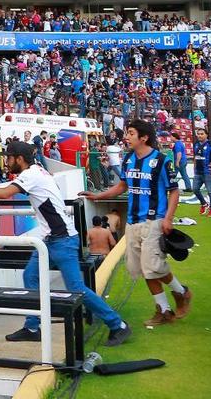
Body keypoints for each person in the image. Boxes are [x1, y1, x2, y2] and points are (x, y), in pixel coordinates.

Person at [0, 141, 131, 347]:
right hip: (51, 239)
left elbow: (5, 194)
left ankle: (118, 325)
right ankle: (33, 327)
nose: (6, 162)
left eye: (9, 157)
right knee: (30, 277)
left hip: (62, 240)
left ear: (20, 159)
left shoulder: (30, 175)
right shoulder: (37, 170)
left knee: (76, 288)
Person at [81, 119, 190, 327]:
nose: (126, 137)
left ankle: (170, 304)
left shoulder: (160, 160)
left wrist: (168, 218)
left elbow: (174, 190)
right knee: (142, 268)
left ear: (144, 137)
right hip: (132, 223)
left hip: (153, 221)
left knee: (152, 267)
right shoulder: (129, 159)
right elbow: (122, 186)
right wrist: (98, 196)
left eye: (131, 133)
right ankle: (175, 299)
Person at [191, 127, 211, 217]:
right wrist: (194, 168)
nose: (200, 135)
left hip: (207, 172)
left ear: (206, 135)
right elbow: (195, 157)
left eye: (202, 134)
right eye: (198, 134)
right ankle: (204, 204)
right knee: (195, 189)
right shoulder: (196, 144)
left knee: (210, 191)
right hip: (198, 172)